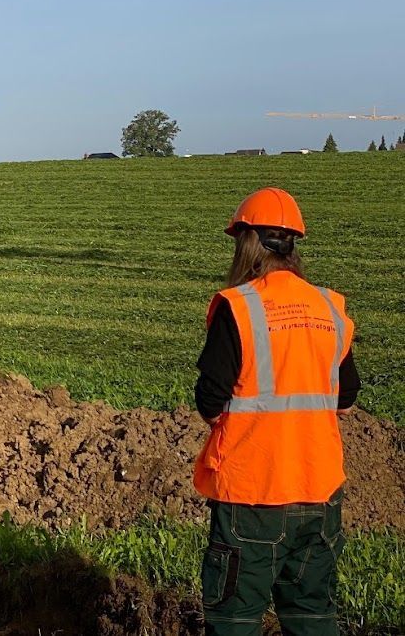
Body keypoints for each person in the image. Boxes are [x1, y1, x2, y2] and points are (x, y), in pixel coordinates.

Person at [193, 187, 360, 635]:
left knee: (234, 621)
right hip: (320, 493)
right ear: (292, 245)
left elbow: (211, 398)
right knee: (312, 617)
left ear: (247, 242)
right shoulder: (329, 307)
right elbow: (347, 397)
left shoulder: (239, 306)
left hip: (252, 492)